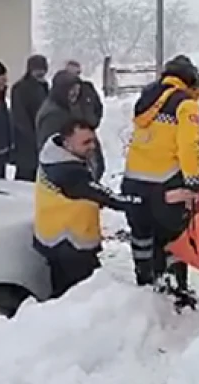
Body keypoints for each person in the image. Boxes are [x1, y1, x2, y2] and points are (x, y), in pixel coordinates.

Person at [122, 55, 199, 306]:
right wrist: (193, 179)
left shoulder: (147, 100)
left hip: (134, 181)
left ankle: (145, 284)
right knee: (172, 238)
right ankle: (174, 291)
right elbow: (186, 145)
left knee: (141, 236)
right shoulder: (185, 104)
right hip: (166, 184)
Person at [34, 118, 140, 298]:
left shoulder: (54, 153)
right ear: (67, 142)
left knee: (62, 293)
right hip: (70, 242)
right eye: (85, 142)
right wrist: (138, 203)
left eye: (93, 140)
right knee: (82, 297)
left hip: (52, 234)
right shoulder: (67, 171)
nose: (92, 146)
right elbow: (105, 196)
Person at [63, 60, 106, 178]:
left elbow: (98, 106)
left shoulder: (87, 88)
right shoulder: (62, 91)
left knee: (98, 165)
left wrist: (95, 121)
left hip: (89, 130)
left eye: (77, 73)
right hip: (74, 134)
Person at [9, 55, 49, 181]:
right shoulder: (20, 88)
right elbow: (20, 117)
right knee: (25, 177)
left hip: (42, 140)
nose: (40, 73)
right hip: (26, 142)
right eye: (37, 70)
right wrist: (33, 137)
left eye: (43, 70)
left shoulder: (44, 87)